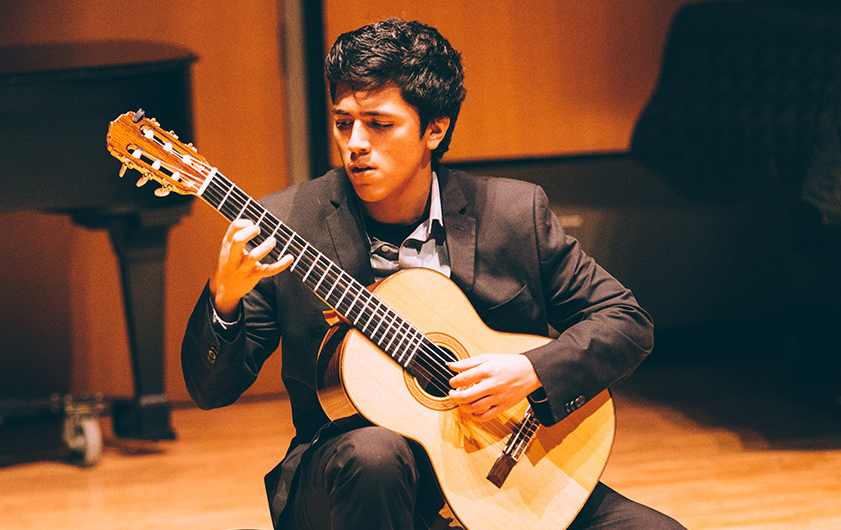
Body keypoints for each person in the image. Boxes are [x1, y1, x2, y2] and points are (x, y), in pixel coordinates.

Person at [181, 17, 684, 530]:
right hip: (355, 482)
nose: (355, 143)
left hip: (502, 462)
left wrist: (532, 370)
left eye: (379, 124)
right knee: (376, 452)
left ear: (435, 128)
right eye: (342, 122)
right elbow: (209, 391)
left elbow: (626, 320)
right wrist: (224, 301)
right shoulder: (288, 225)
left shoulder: (512, 213)